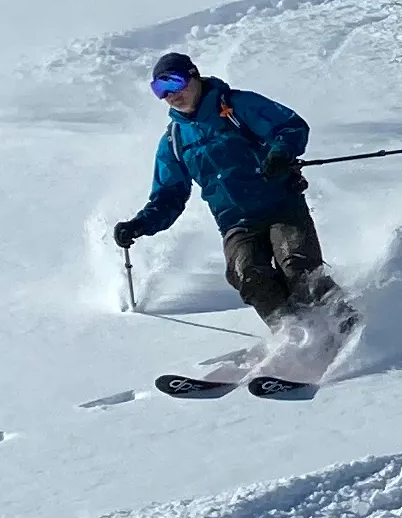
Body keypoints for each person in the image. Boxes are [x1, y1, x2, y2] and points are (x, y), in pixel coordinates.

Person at [114, 52, 352, 333]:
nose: (170, 95)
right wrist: (141, 223)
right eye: (160, 89)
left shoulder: (237, 106)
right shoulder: (174, 140)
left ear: (194, 75)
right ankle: (294, 335)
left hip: (281, 206)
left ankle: (346, 323)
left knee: (297, 266)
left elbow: (290, 126)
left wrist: (280, 153)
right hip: (236, 223)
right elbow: (169, 194)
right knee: (247, 273)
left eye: (174, 83)